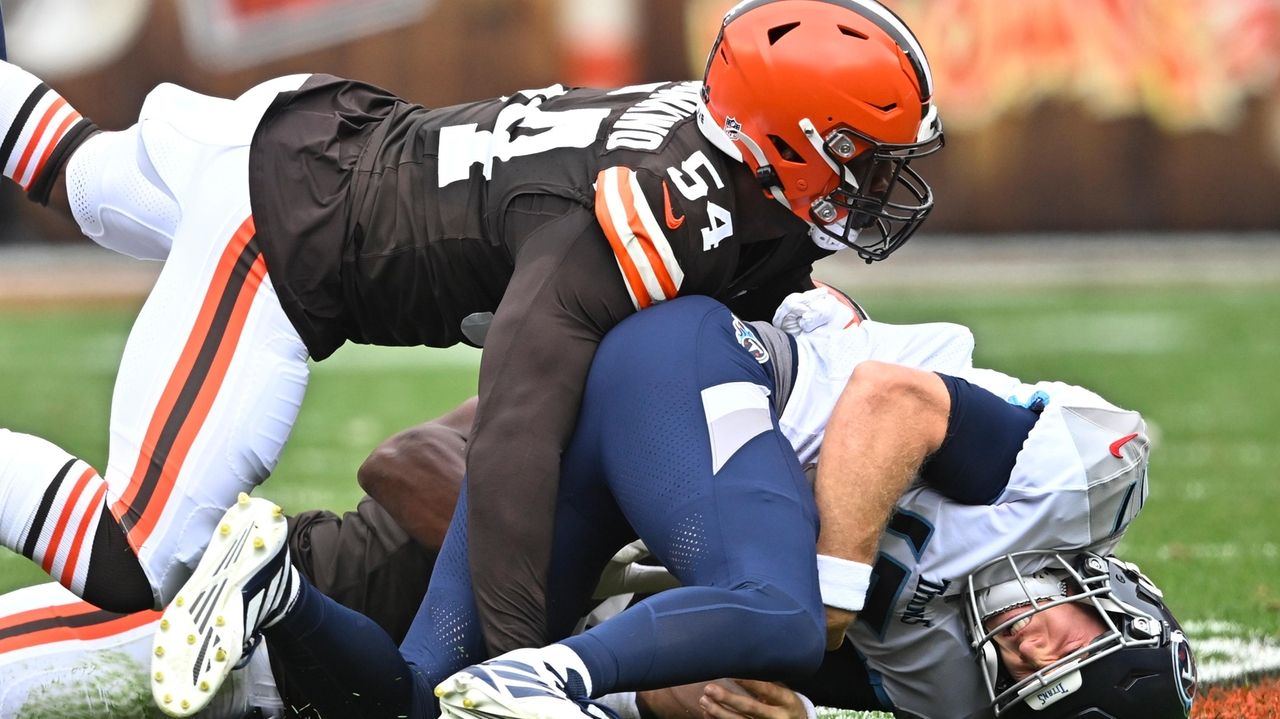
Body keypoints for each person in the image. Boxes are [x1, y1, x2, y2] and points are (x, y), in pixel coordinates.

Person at [0, 0, 944, 661]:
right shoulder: (654, 213)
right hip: (288, 232)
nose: (877, 187)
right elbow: (516, 424)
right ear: (782, 140)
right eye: (861, 160)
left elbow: (762, 276)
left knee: (77, 173)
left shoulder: (722, 169)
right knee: (140, 552)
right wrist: (520, 652)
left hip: (317, 138)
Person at [152, 288, 1196, 719]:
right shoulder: (1079, 474)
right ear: (1120, 606)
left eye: (1029, 680)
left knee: (420, 695)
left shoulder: (941, 686)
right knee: (785, 604)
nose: (1026, 647)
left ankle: (271, 584)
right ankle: (545, 677)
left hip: (643, 479)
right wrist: (820, 593)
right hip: (698, 364)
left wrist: (666, 694)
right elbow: (887, 404)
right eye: (1065, 642)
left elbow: (733, 652)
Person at [0, 399, 472, 719]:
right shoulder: (538, 389)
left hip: (340, 687)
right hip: (253, 617)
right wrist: (522, 575)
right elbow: (404, 460)